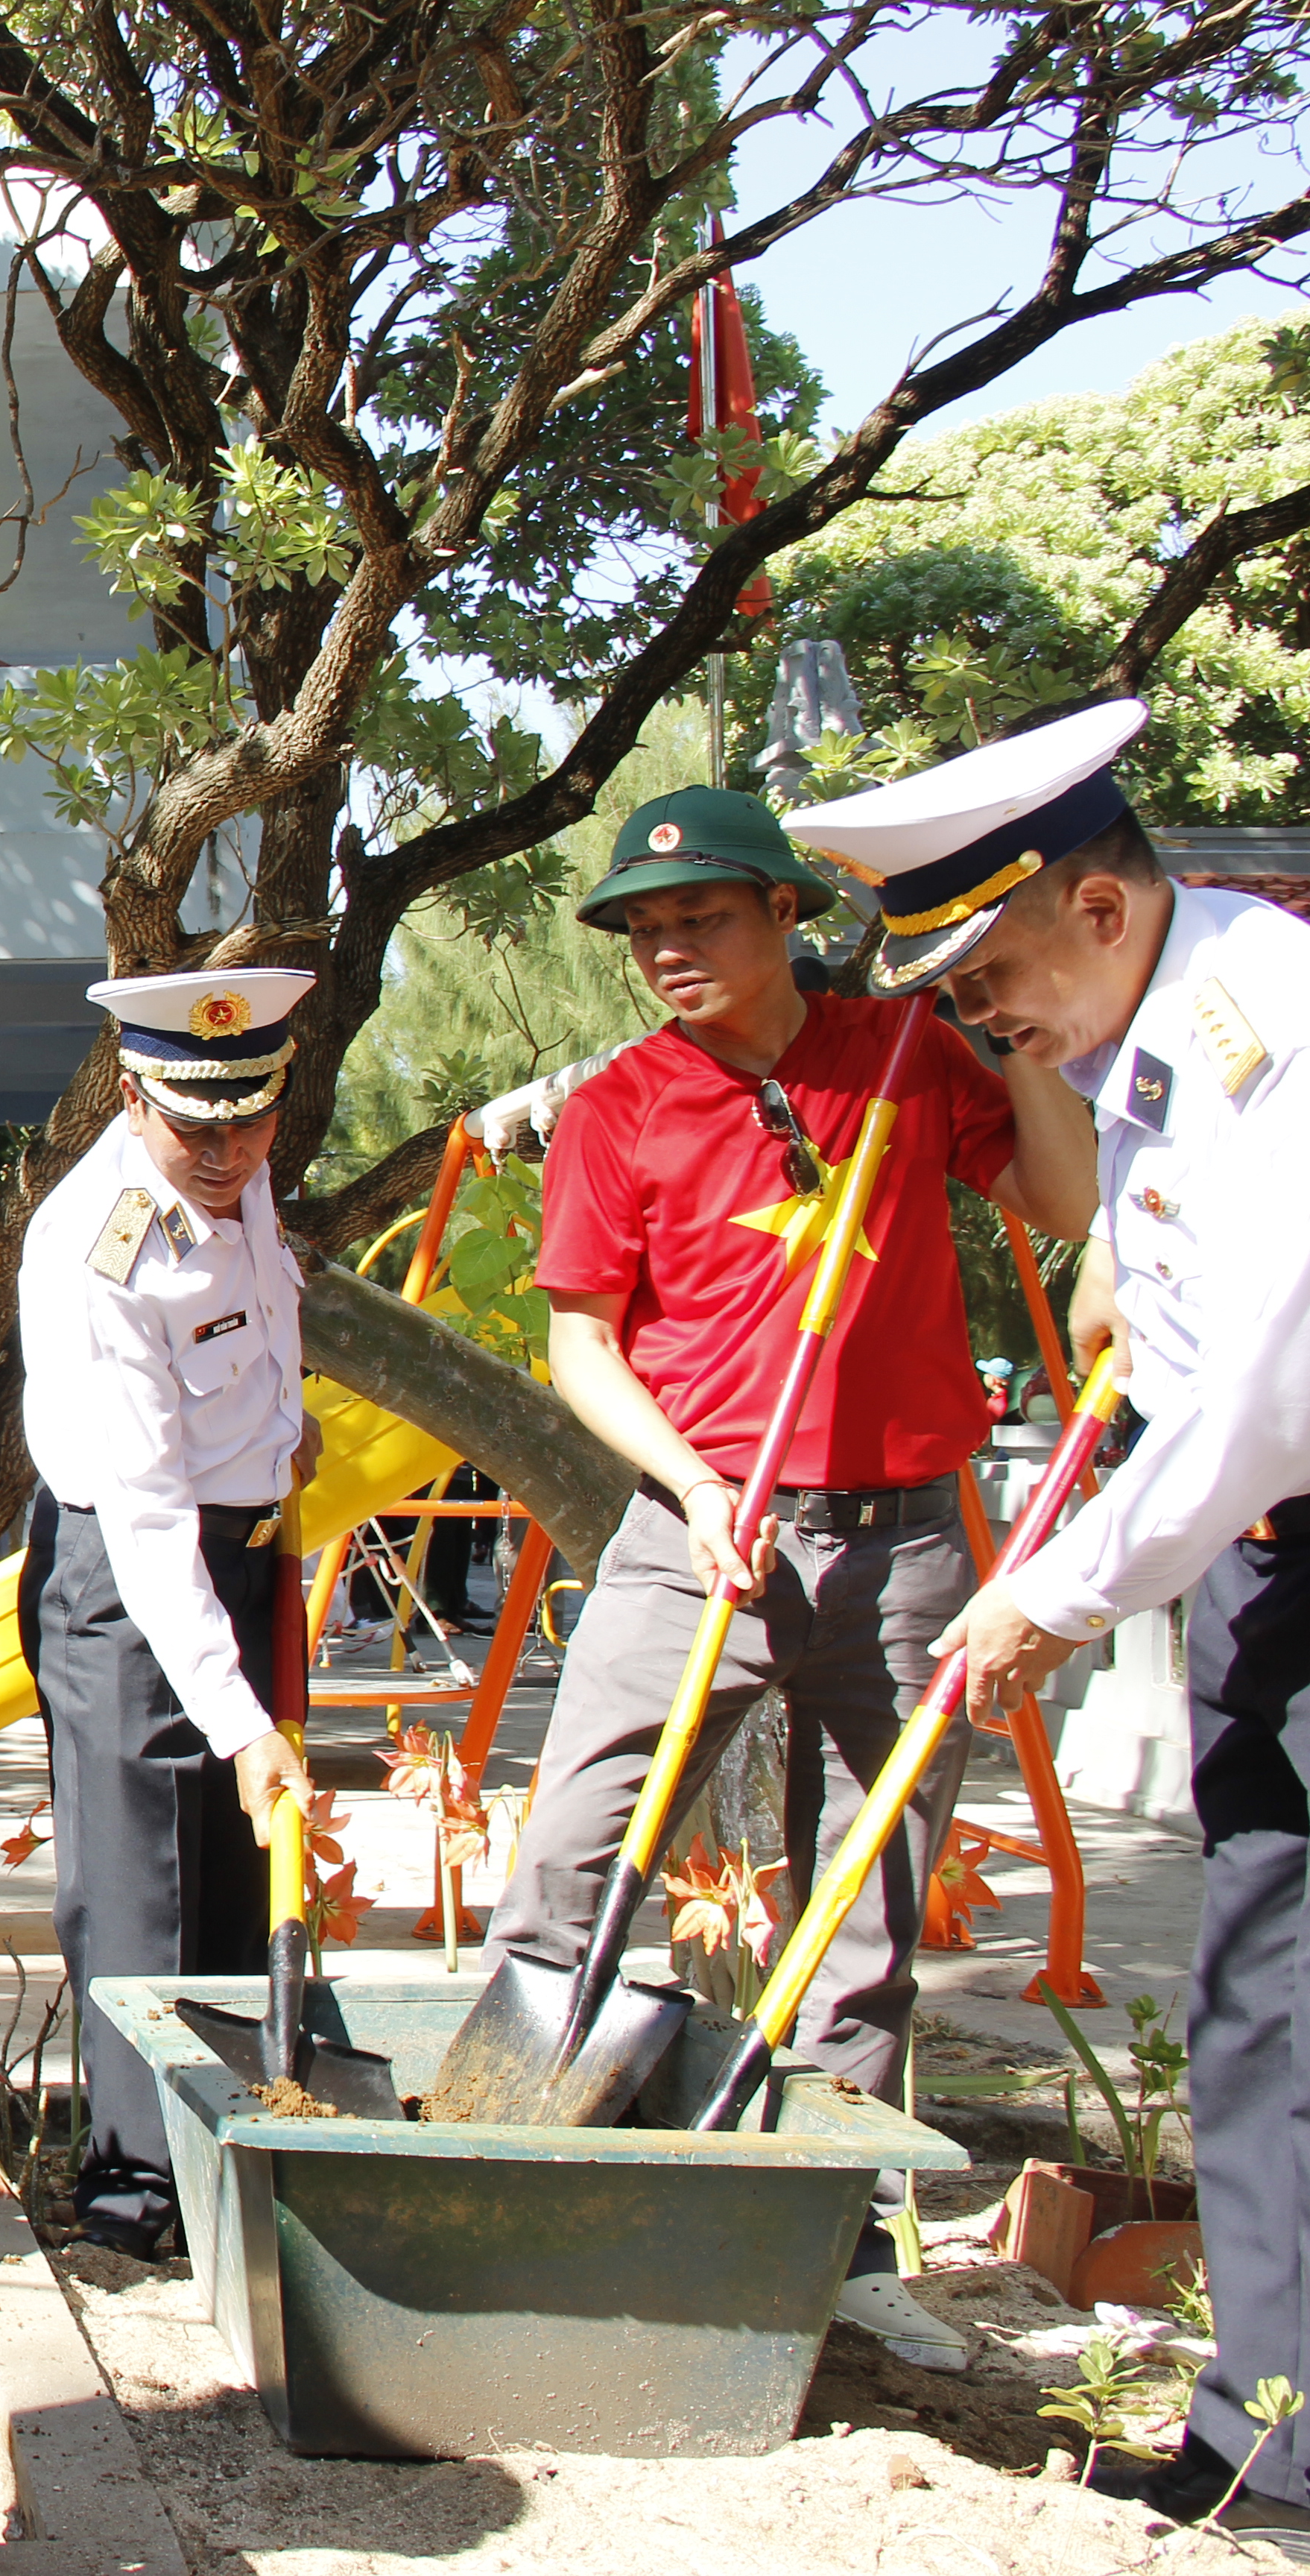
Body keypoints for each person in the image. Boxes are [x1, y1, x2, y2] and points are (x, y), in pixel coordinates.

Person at [485, 783, 1095, 2370]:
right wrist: (685, 1481)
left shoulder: (903, 1054)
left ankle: (829, 2248)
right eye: (644, 928)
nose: (668, 948)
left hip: (898, 1537)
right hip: (696, 1536)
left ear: (782, 919)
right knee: (575, 1838)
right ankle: (500, 2170)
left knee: (869, 1902)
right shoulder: (621, 1104)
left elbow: (1060, 1203)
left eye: (702, 918)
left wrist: (1025, 1052)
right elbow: (582, 1341)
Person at [870, 703, 1310, 2535]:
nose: (984, 1026)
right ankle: (1268, 2437)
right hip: (1265, 1564)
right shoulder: (1152, 1053)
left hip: (1275, 1510)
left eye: (991, 977)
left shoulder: (1251, 1023)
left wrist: (1042, 1597)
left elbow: (1263, 1391)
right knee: (1260, 2000)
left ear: (1103, 911)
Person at [16, 967, 320, 2253]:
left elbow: (255, 1333)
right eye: (195, 1126)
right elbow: (142, 1519)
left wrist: (280, 1436)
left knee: (233, 1881)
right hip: (129, 1584)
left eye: (250, 1120)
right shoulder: (101, 1248)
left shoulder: (236, 1171)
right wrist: (241, 1720)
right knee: (138, 1891)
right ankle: (134, 2193)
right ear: (130, 1091)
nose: (225, 1153)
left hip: (240, 1552)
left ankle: (240, 2159)